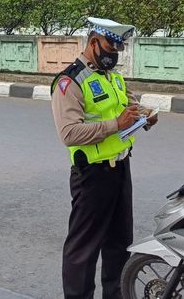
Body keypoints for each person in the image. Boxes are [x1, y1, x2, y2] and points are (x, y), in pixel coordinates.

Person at [51, 17, 158, 299]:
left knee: (120, 243)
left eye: (118, 49)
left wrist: (145, 115)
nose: (114, 54)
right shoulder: (70, 81)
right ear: (93, 41)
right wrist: (116, 125)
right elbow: (69, 133)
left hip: (121, 169)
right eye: (110, 47)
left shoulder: (114, 78)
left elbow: (129, 106)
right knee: (83, 250)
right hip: (92, 177)